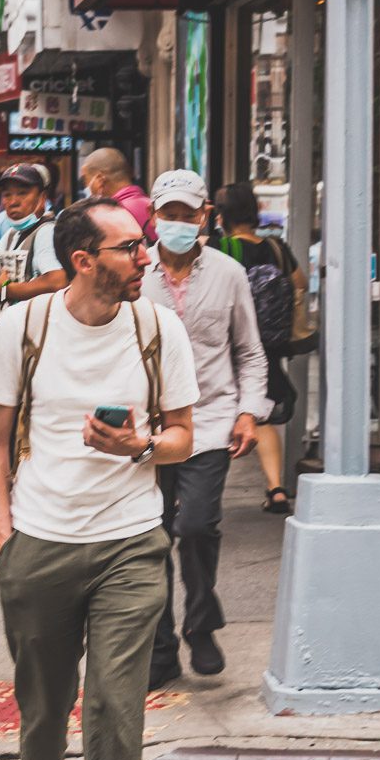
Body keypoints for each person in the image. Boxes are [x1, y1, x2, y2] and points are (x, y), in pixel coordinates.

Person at [0, 197, 198, 760]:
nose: (147, 256)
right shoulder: (26, 325)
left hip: (131, 543)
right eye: (131, 248)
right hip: (40, 541)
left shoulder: (156, 328)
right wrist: (6, 537)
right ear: (83, 260)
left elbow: (183, 438)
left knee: (115, 703)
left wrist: (136, 446)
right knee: (44, 702)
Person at [141, 170, 270, 688]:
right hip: (146, 429)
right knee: (148, 539)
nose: (176, 223)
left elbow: (250, 350)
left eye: (186, 214)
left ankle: (201, 623)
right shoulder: (136, 272)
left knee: (195, 526)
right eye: (167, 213)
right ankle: (159, 647)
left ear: (204, 218)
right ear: (153, 216)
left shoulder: (228, 272)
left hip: (211, 422)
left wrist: (249, 411)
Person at [213, 182, 308, 516]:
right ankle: (276, 488)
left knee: (217, 412)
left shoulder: (220, 249)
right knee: (261, 415)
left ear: (221, 215)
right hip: (266, 344)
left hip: (226, 343)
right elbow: (300, 283)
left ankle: (198, 491)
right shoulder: (276, 247)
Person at [0, 163, 66, 323]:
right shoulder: (11, 234)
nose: (13, 201)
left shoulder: (45, 232)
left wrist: (7, 289)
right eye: (7, 195)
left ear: (42, 198)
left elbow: (57, 281)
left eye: (22, 193)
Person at [80, 146, 156, 243]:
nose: (86, 187)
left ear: (99, 180)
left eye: (85, 180)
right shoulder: (152, 205)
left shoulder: (111, 215)